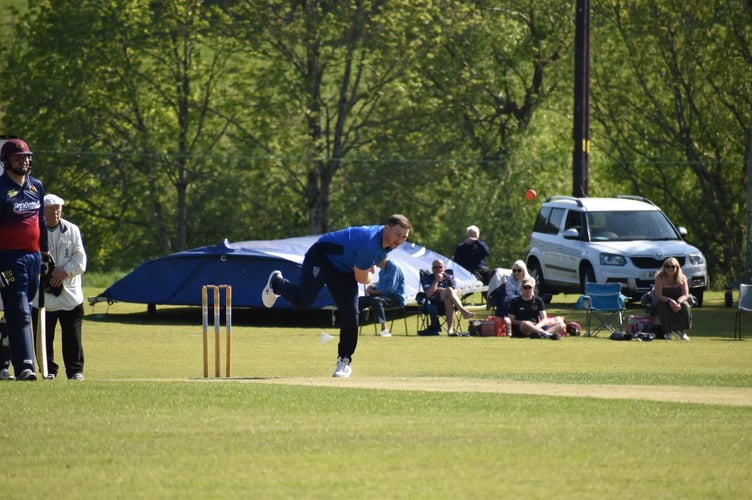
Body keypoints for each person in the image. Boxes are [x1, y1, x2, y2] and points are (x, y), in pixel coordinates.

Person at [262, 214, 412, 377]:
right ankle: (277, 283)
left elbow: (373, 260)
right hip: (321, 257)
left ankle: (344, 361)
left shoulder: (388, 243)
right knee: (303, 300)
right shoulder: (370, 244)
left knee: (351, 314)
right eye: (398, 235)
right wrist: (369, 273)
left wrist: (368, 265)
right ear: (387, 227)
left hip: (344, 269)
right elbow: (362, 278)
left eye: (404, 237)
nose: (400, 240)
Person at [0, 138, 52, 381]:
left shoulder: (36, 187)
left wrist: (45, 253)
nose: (25, 161)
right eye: (19, 158)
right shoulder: (0, 188)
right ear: (6, 161)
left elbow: (40, 221)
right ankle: (25, 367)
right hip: (8, 258)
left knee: (21, 310)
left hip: (32, 258)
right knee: (19, 310)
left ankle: (6, 343)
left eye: (27, 157)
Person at [31, 194, 87, 380]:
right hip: (43, 296)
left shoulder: (72, 229)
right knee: (44, 338)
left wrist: (63, 272)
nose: (55, 213)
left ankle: (75, 371)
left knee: (73, 337)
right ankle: (48, 371)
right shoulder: (34, 230)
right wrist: (49, 274)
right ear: (43, 211)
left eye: (57, 209)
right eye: (50, 209)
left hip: (69, 294)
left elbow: (80, 261)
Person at [418, 259, 474, 337]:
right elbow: (428, 294)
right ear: (432, 269)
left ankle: (450, 330)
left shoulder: (450, 277)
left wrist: (439, 289)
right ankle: (463, 311)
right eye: (435, 268)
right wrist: (436, 280)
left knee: (448, 299)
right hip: (433, 302)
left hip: (448, 303)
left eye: (440, 267)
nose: (438, 269)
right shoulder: (429, 278)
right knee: (449, 290)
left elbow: (454, 292)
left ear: (444, 268)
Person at [358, 258, 406, 337]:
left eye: (376, 262)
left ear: (383, 259)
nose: (375, 265)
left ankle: (385, 329)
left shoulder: (394, 268)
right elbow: (381, 285)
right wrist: (371, 287)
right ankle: (353, 325)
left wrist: (374, 292)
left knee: (377, 300)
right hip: (383, 296)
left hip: (396, 298)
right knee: (361, 300)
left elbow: (390, 289)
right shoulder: (382, 271)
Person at [653, 257, 692, 340]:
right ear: (664, 267)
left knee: (685, 306)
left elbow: (685, 294)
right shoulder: (660, 278)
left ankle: (683, 333)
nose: (670, 268)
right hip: (664, 300)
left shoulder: (682, 278)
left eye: (673, 266)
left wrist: (678, 302)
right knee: (663, 307)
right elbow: (658, 294)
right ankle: (668, 332)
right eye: (667, 266)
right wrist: (669, 300)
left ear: (677, 268)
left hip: (679, 300)